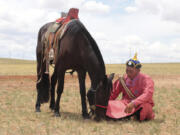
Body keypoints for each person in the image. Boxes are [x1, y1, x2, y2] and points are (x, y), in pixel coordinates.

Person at [106, 53, 155, 121]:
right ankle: (126, 116)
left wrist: (134, 103)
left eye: (131, 70)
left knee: (145, 108)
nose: (128, 71)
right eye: (127, 69)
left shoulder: (146, 79)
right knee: (108, 104)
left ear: (138, 71)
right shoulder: (123, 79)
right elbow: (114, 93)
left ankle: (130, 117)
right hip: (125, 104)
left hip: (140, 104)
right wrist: (104, 101)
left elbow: (147, 94)